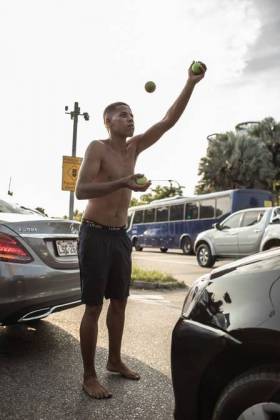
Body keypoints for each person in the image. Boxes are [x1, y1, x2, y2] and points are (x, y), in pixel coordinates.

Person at [75, 61, 207, 399]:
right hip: (94, 232)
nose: (130, 119)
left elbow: (167, 121)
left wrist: (190, 83)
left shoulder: (134, 147)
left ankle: (115, 361)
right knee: (93, 307)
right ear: (108, 121)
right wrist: (124, 181)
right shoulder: (97, 148)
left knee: (119, 301)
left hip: (120, 235)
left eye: (132, 115)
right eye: (123, 115)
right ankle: (89, 375)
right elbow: (83, 190)